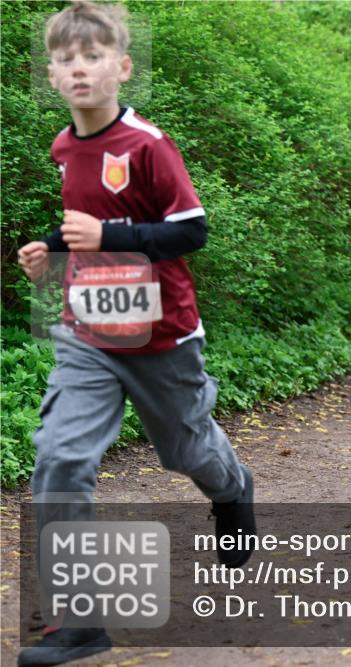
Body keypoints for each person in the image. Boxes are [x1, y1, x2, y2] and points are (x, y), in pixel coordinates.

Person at [16, 3, 255, 664]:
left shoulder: (148, 144)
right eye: (65, 60)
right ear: (52, 77)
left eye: (92, 56)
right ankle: (79, 619)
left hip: (161, 335)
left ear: (121, 67)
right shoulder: (64, 146)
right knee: (60, 457)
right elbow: (87, 220)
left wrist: (109, 238)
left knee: (185, 452)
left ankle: (233, 487)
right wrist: (49, 247)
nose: (78, 69)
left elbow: (191, 230)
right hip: (87, 331)